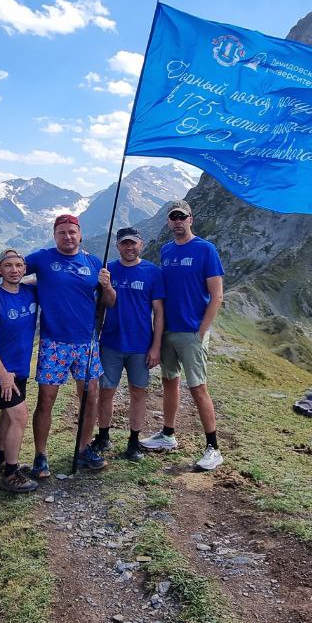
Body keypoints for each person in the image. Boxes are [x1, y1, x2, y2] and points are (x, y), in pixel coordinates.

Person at [24, 214, 115, 478]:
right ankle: (40, 456)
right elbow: (11, 269)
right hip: (54, 343)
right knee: (46, 400)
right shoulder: (42, 258)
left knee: (89, 398)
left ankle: (84, 448)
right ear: (55, 236)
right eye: (62, 232)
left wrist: (107, 286)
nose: (67, 236)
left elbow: (109, 301)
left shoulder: (93, 262)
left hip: (87, 343)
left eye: (72, 232)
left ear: (80, 234)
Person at [140, 200, 226, 471]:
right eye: (173, 217)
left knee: (198, 388)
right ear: (168, 222)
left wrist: (202, 330)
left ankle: (213, 448)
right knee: (169, 381)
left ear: (191, 219)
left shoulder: (205, 249)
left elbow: (217, 294)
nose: (178, 221)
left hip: (192, 332)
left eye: (182, 216)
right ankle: (168, 434)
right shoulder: (166, 251)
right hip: (168, 330)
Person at [94, 227, 164, 463]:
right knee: (106, 392)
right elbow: (103, 305)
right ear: (118, 246)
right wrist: (105, 286)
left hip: (140, 346)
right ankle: (103, 436)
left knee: (138, 392)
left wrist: (156, 347)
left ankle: (134, 441)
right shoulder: (109, 270)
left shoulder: (152, 272)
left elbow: (159, 312)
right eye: (125, 243)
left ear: (141, 244)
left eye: (133, 243)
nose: (129, 247)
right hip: (111, 343)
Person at [0, 249, 41, 493]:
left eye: (19, 265)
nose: (14, 270)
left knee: (7, 414)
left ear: (25, 269)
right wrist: (2, 374)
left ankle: (0, 461)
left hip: (20, 369)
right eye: (8, 266)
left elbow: (51, 281)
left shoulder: (29, 292)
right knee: (19, 415)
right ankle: (11, 474)